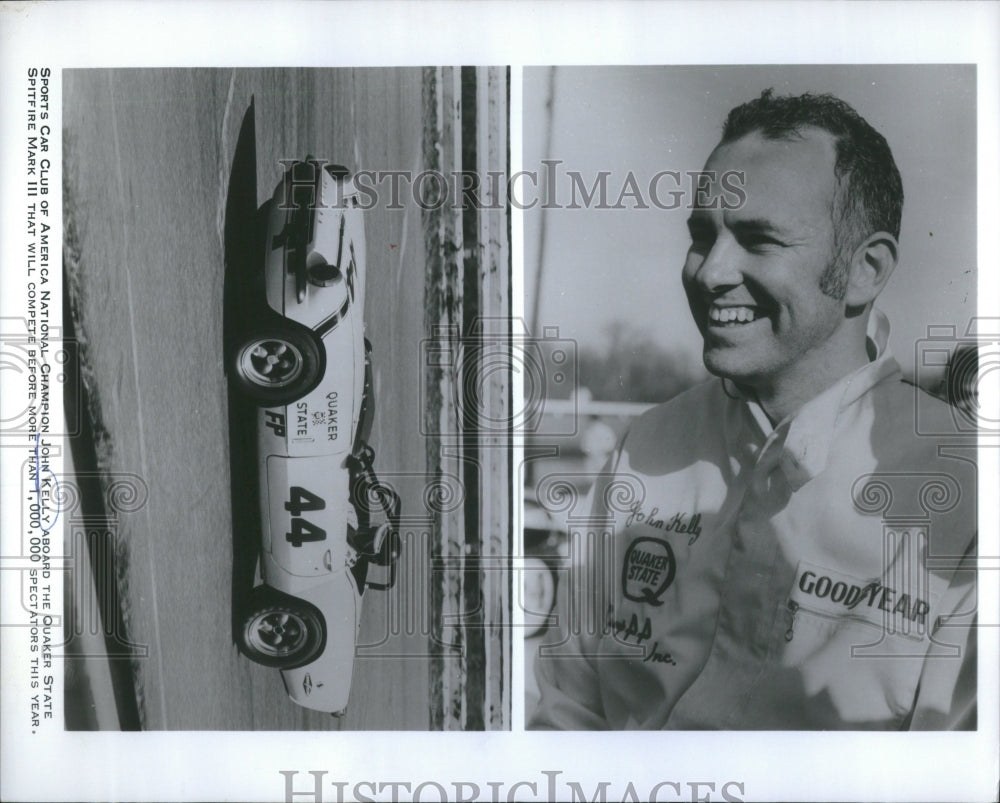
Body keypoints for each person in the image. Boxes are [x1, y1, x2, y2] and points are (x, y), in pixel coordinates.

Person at [529, 90, 977, 730]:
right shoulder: (650, 444)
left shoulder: (963, 491)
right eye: (702, 235)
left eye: (759, 240)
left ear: (864, 269)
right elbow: (568, 707)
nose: (711, 272)